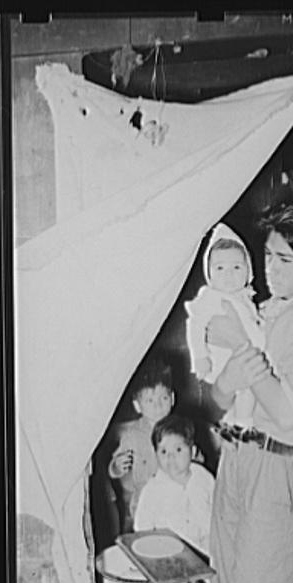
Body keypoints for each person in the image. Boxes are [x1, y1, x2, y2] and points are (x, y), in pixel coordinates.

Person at [206, 202, 293, 583]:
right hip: (237, 458)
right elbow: (219, 397)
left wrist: (241, 346)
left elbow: (287, 416)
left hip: (276, 472)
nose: (272, 269)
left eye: (284, 259)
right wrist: (227, 381)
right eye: (267, 256)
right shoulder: (262, 309)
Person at [184, 223, 264, 429]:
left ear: (249, 270)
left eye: (236, 267)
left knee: (246, 391)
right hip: (221, 358)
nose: (228, 274)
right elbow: (195, 324)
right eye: (220, 268)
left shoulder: (245, 298)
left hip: (243, 354)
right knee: (248, 388)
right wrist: (199, 356)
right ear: (209, 273)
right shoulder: (210, 297)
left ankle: (234, 420)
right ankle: (243, 424)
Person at [108, 357, 175, 533]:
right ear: (138, 405)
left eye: (164, 398)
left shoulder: (180, 428)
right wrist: (117, 466)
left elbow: (198, 460)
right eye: (150, 401)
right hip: (142, 504)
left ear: (173, 398)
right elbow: (113, 467)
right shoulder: (132, 435)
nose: (158, 406)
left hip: (175, 501)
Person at [134, 414, 215, 556]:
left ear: (193, 451)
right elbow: (142, 528)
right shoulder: (153, 489)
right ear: (155, 454)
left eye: (178, 450)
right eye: (164, 451)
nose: (170, 457)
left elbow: (218, 509)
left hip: (207, 550)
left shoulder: (204, 477)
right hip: (169, 554)